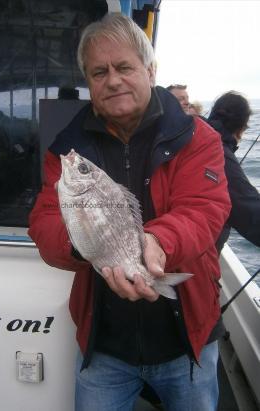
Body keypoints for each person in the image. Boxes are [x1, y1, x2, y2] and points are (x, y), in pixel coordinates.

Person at [28, 13, 231, 411]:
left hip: (187, 337)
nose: (113, 80)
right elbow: (45, 222)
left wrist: (157, 241)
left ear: (150, 70)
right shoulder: (66, 150)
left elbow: (205, 211)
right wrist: (86, 239)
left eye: (124, 67)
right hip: (104, 347)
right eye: (99, 72)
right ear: (88, 81)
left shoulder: (198, 138)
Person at [207, 91, 260, 252]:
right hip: (196, 261)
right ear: (241, 128)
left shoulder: (200, 138)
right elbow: (249, 213)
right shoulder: (218, 152)